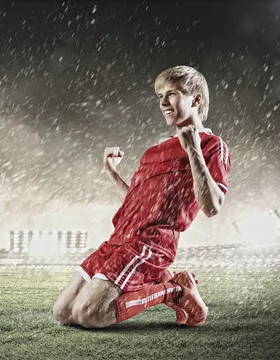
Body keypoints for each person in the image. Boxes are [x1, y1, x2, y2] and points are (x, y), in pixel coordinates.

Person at [52, 65, 232, 328]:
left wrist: (193, 149)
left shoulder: (212, 145)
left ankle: (176, 290)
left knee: (90, 314)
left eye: (171, 94)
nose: (163, 102)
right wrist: (112, 173)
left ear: (196, 100)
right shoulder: (153, 151)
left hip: (150, 244)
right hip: (118, 240)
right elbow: (136, 204)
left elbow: (212, 206)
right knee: (64, 312)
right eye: (160, 96)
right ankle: (166, 281)